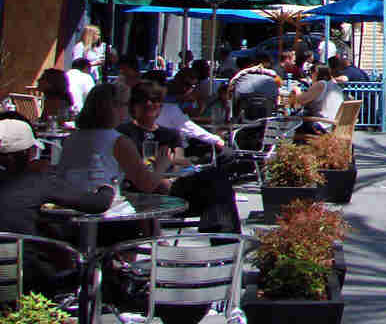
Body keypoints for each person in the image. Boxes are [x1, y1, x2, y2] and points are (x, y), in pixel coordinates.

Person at [0, 118, 113, 292]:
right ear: (29, 153)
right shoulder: (38, 182)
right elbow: (98, 203)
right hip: (27, 278)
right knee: (92, 266)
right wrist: (108, 187)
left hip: (11, 277)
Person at [116, 82, 241, 234]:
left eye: (155, 100)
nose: (150, 104)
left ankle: (222, 235)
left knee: (217, 178)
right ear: (133, 105)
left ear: (161, 105)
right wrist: (162, 166)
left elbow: (178, 161)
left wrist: (181, 162)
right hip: (138, 188)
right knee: (214, 185)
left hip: (169, 185)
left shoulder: (169, 134)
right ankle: (220, 235)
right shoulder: (123, 133)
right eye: (144, 101)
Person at [157, 72, 225, 156]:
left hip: (180, 143)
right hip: (172, 149)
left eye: (193, 86)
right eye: (188, 85)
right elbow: (189, 127)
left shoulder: (180, 102)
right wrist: (216, 140)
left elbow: (194, 115)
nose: (190, 88)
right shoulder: (169, 106)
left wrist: (200, 102)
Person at [289, 65, 344, 135]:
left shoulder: (321, 84)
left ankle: (285, 143)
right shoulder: (335, 85)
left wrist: (297, 90)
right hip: (334, 124)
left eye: (311, 73)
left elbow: (301, 100)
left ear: (316, 73)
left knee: (292, 121)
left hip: (322, 125)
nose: (310, 76)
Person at [230, 55, 280, 121]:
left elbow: (234, 105)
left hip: (243, 119)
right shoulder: (271, 77)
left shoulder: (239, 78)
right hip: (267, 117)